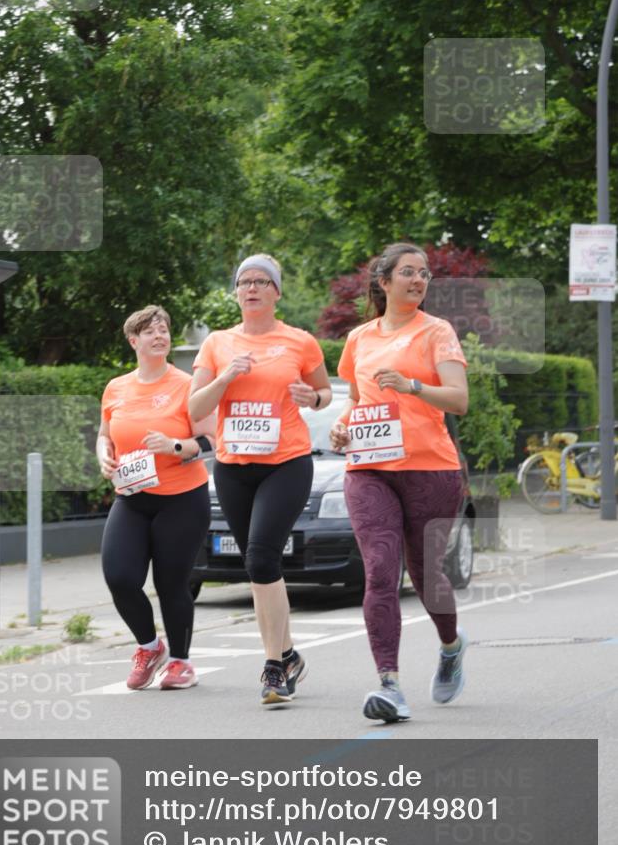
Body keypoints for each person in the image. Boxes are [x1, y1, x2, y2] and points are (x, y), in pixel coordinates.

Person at [329, 243, 469, 723]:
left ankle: (450, 646)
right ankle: (389, 684)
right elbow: (356, 400)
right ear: (384, 281)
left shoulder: (437, 331)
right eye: (408, 272)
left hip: (430, 469)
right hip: (369, 469)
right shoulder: (359, 339)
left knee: (427, 576)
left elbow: (459, 399)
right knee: (380, 569)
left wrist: (413, 386)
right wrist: (342, 427)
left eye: (424, 273)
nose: (419, 280)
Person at [189, 254, 332, 706]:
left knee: (261, 556)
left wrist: (313, 398)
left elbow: (325, 393)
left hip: (286, 462)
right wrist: (225, 377)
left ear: (277, 292)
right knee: (260, 567)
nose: (251, 288)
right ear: (236, 292)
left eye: (261, 281)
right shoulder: (217, 343)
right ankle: (287, 655)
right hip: (233, 467)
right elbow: (194, 409)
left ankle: (273, 666)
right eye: (244, 282)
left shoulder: (300, 341)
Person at [97, 305, 215, 691]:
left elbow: (209, 440)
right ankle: (149, 647)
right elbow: (105, 435)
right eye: (150, 331)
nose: (159, 335)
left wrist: (174, 445)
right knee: (120, 576)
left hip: (182, 497)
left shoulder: (186, 385)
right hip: (132, 497)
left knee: (171, 583)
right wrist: (102, 454)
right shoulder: (116, 388)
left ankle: (181, 661)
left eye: (163, 329)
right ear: (134, 341)